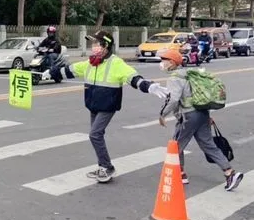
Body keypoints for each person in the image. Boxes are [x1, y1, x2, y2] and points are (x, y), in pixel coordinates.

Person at [42, 30, 170, 183]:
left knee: (94, 134)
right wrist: (51, 73)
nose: (93, 46)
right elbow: (70, 70)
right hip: (93, 105)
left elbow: (133, 77)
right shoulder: (91, 62)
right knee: (97, 135)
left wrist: (148, 86)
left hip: (108, 105)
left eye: (96, 43)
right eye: (93, 44)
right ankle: (103, 166)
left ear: (105, 46)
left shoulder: (116, 63)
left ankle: (107, 167)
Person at [157, 49, 243, 190]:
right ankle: (230, 173)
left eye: (164, 60)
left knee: (176, 145)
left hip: (188, 116)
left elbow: (173, 100)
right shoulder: (190, 74)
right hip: (202, 113)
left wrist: (162, 114)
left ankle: (180, 174)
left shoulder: (174, 78)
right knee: (208, 144)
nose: (162, 63)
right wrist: (206, 116)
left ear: (172, 63)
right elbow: (199, 96)